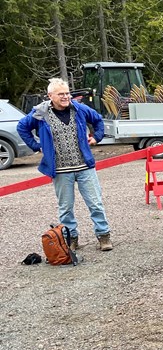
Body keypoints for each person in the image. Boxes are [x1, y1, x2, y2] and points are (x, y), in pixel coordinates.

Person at [17, 78, 113, 252]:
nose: (66, 97)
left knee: (96, 203)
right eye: (61, 94)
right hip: (60, 169)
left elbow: (98, 120)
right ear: (50, 96)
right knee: (66, 208)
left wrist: (96, 137)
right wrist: (36, 146)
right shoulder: (40, 113)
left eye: (67, 93)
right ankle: (71, 239)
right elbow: (22, 127)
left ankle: (103, 236)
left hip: (84, 166)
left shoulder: (79, 108)